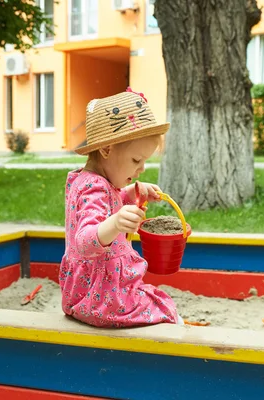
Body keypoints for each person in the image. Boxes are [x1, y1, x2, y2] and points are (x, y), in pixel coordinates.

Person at [59, 87, 183, 328]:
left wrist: (130, 192)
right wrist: (115, 223)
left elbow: (107, 201)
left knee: (155, 299)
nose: (142, 168)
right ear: (106, 150)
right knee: (165, 309)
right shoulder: (93, 188)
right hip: (103, 300)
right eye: (136, 160)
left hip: (87, 292)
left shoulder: (93, 181)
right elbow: (84, 241)